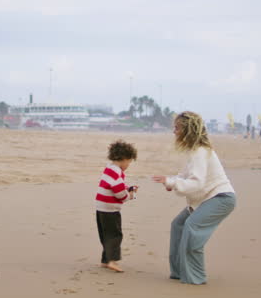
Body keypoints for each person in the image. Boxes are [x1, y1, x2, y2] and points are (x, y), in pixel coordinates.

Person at [152, 111, 236, 285]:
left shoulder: (199, 151)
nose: (174, 131)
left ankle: (194, 277)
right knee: (178, 225)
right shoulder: (194, 151)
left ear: (187, 130)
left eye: (177, 128)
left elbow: (196, 183)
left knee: (192, 228)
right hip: (207, 199)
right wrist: (171, 182)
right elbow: (185, 176)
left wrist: (172, 182)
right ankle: (178, 272)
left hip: (221, 198)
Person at [95, 140, 138, 273]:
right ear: (123, 158)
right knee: (114, 235)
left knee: (105, 234)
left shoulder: (109, 169)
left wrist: (127, 188)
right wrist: (130, 195)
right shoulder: (116, 172)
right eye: (129, 162)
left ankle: (105, 260)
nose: (128, 165)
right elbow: (120, 194)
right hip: (110, 210)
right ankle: (112, 261)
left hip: (101, 208)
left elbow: (117, 185)